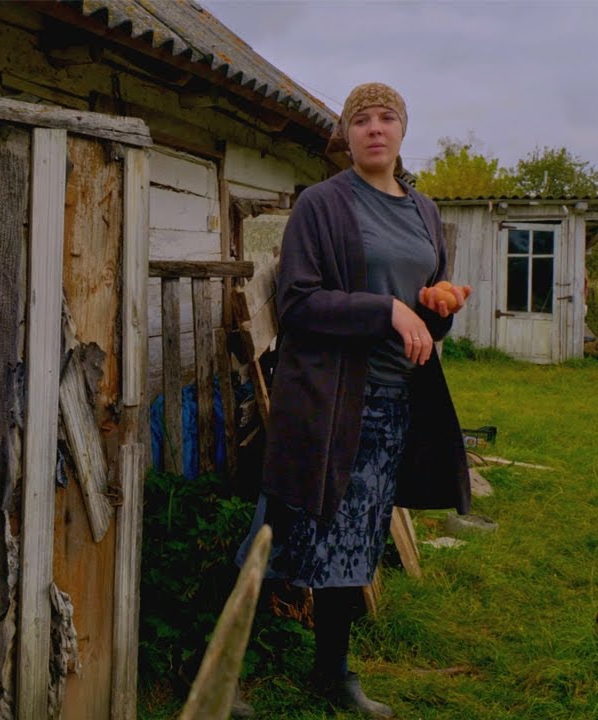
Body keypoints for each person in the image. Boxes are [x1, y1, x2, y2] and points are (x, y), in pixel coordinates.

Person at [233, 83, 472, 719]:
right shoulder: (323, 204)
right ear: (346, 134)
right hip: (326, 399)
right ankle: (220, 667)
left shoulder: (424, 212)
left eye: (387, 117)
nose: (375, 128)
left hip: (395, 401)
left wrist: (438, 306)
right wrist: (386, 309)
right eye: (361, 119)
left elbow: (426, 307)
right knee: (279, 533)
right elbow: (299, 303)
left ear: (402, 129)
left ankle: (331, 672)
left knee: (356, 540)